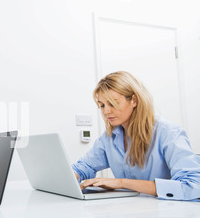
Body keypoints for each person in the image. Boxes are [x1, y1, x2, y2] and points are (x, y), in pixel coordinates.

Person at [72, 71, 200, 200]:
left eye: (113, 103)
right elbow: (84, 167)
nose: (106, 111)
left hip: (165, 212)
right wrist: (68, 177)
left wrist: (122, 183)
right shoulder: (109, 138)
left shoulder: (168, 133)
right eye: (102, 105)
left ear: (134, 100)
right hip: (131, 211)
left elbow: (193, 186)